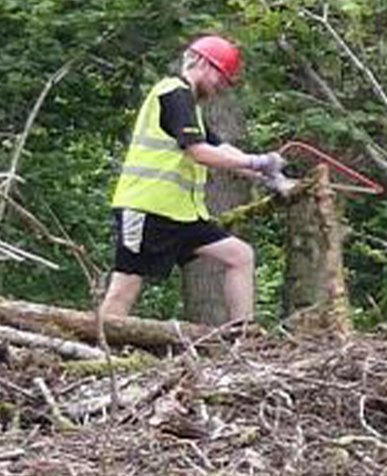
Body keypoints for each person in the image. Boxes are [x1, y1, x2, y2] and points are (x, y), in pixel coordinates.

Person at [102, 36, 295, 326]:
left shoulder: (191, 107)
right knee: (125, 287)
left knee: (240, 256)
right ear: (203, 63)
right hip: (147, 211)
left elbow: (221, 150)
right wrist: (257, 161)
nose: (220, 87)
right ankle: (97, 348)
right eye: (221, 76)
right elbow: (199, 152)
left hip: (181, 215)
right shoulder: (173, 94)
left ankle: (243, 339)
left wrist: (269, 176)